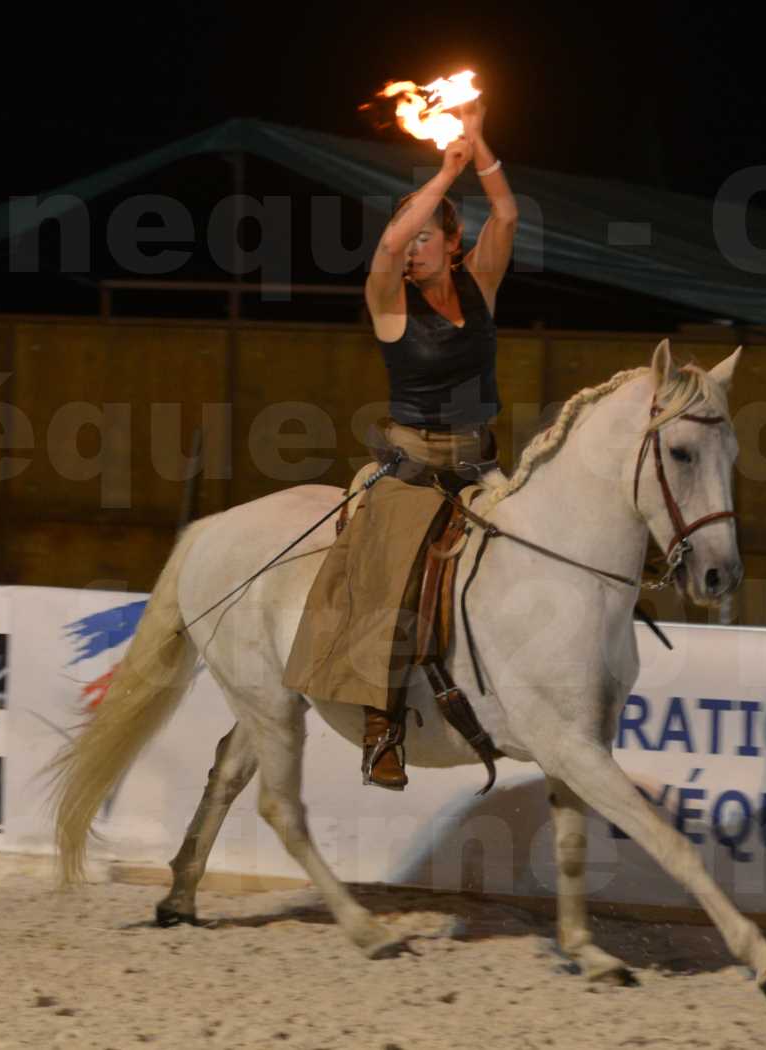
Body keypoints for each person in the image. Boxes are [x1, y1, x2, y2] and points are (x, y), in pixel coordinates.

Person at [282, 99, 517, 791]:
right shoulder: (389, 299)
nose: (409, 244)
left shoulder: (479, 283)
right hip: (413, 468)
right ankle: (380, 726)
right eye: (406, 232)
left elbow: (505, 215)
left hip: (481, 462)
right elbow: (385, 249)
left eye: (423, 235)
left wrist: (478, 145)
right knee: (383, 582)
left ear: (451, 241)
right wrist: (441, 176)